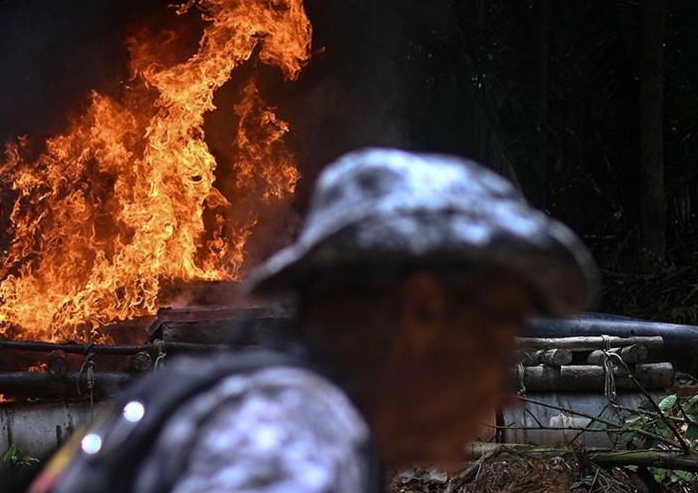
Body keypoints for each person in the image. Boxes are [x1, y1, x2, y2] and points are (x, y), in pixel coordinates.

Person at [29, 148, 597, 493]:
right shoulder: (290, 437)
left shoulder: (212, 396)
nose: (507, 394)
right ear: (422, 311)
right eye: (497, 338)